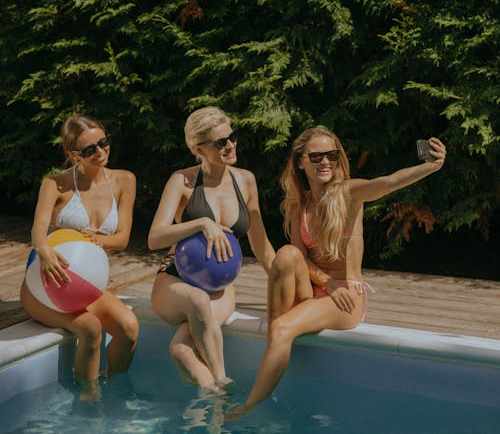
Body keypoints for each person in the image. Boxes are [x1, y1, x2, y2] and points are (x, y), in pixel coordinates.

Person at [230, 127, 446, 416]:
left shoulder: (349, 192)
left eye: (332, 155)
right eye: (316, 156)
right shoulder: (299, 205)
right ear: (301, 161)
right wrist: (326, 282)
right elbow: (299, 261)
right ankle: (278, 349)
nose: (325, 163)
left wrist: (430, 167)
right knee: (286, 254)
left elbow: (389, 182)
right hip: (320, 287)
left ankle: (250, 406)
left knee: (281, 327)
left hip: (346, 294)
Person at [148, 106, 276, 390]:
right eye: (221, 142)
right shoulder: (182, 181)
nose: (230, 145)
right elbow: (155, 238)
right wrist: (201, 223)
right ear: (198, 147)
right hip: (175, 280)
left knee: (182, 350)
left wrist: (289, 288)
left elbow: (262, 245)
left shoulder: (246, 180)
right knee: (197, 301)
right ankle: (222, 382)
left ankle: (208, 411)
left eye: (232, 137)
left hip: (219, 285)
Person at [20, 114, 138, 400]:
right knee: (90, 329)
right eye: (89, 150)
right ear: (72, 154)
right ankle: (88, 401)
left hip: (85, 282)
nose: (100, 152)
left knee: (129, 328)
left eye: (103, 143)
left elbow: (122, 237)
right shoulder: (55, 184)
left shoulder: (124, 180)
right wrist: (44, 251)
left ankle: (116, 387)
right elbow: (37, 230)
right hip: (45, 283)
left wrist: (95, 241)